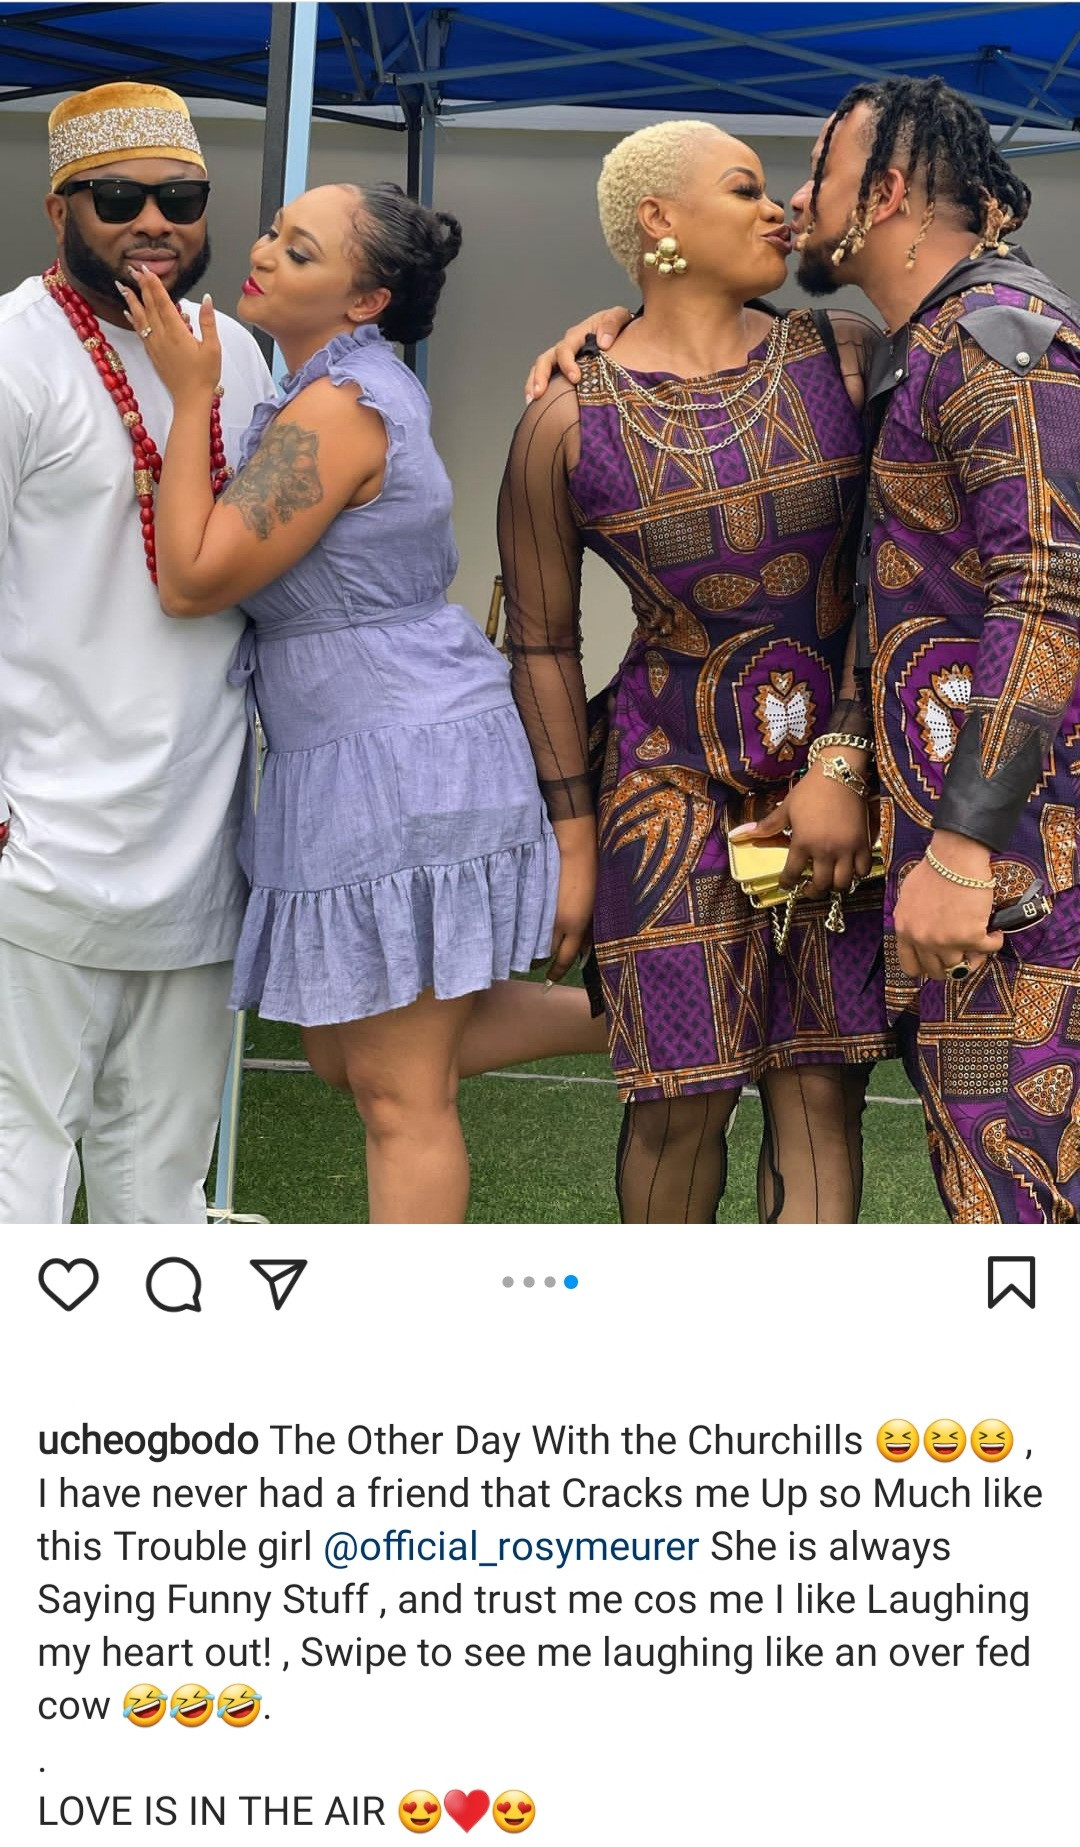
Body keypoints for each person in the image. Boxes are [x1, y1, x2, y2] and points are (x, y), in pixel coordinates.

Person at [537, 79, 1080, 1223]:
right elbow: (890, 587)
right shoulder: (914, 349)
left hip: (988, 840)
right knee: (968, 1170)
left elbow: (1043, 585)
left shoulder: (951, 344)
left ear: (884, 193)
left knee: (960, 1152)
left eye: (813, 176)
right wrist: (613, 324)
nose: (791, 203)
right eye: (752, 186)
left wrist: (944, 837)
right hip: (826, 811)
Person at [125, 180, 600, 1224]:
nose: (262, 253)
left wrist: (192, 393)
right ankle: (650, 1007)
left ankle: (405, 1330)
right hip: (354, 747)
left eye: (301, 251)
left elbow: (194, 579)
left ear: (366, 301)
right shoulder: (335, 385)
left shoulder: (341, 406)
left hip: (393, 756)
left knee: (398, 1094)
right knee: (348, 1057)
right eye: (274, 234)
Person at [500, 121, 894, 1225]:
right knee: (678, 1098)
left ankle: (796, 1342)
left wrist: (849, 755)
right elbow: (541, 641)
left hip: (835, 771)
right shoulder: (565, 419)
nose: (777, 209)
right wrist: (574, 844)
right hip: (662, 785)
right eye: (746, 188)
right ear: (659, 219)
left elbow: (900, 562)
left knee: (819, 1089)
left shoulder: (845, 354)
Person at [0, 82, 274, 1224]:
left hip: (201, 844)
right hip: (39, 845)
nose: (154, 222)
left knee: (162, 1184)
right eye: (118, 198)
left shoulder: (238, 355)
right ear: (59, 207)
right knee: (16, 1168)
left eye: (181, 198)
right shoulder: (14, 353)